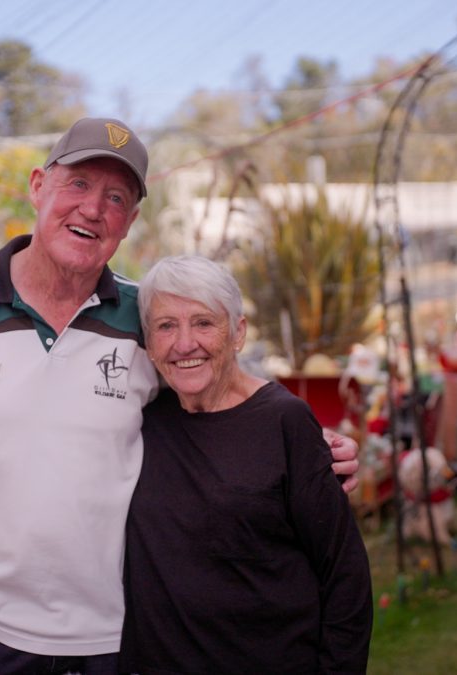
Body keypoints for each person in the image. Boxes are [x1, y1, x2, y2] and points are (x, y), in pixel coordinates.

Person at [0, 117, 360, 673]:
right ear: (39, 186)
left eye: (116, 197)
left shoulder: (148, 317)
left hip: (118, 630)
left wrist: (306, 446)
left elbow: (227, 384)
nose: (93, 208)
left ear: (130, 222)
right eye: (79, 184)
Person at [119, 255, 373, 674]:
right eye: (166, 326)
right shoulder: (140, 418)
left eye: (203, 323)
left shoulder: (284, 421)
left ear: (238, 332)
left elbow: (344, 575)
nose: (185, 344)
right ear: (147, 341)